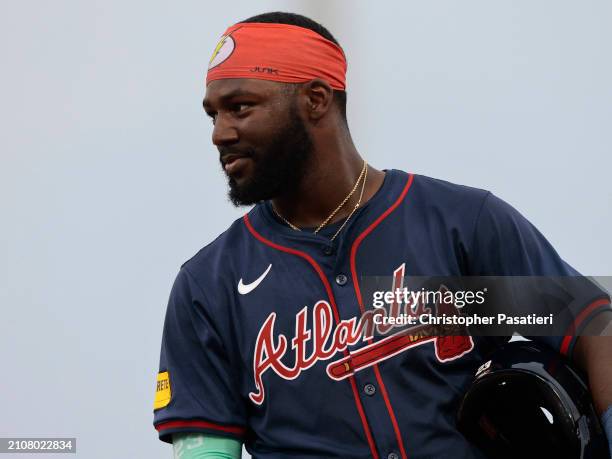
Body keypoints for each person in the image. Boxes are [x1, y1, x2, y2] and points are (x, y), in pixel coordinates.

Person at [153, 11, 612, 459]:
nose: (219, 133)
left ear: (315, 100)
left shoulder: (455, 225)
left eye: (240, 107)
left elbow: (595, 328)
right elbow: (206, 448)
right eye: (212, 114)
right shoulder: (210, 286)